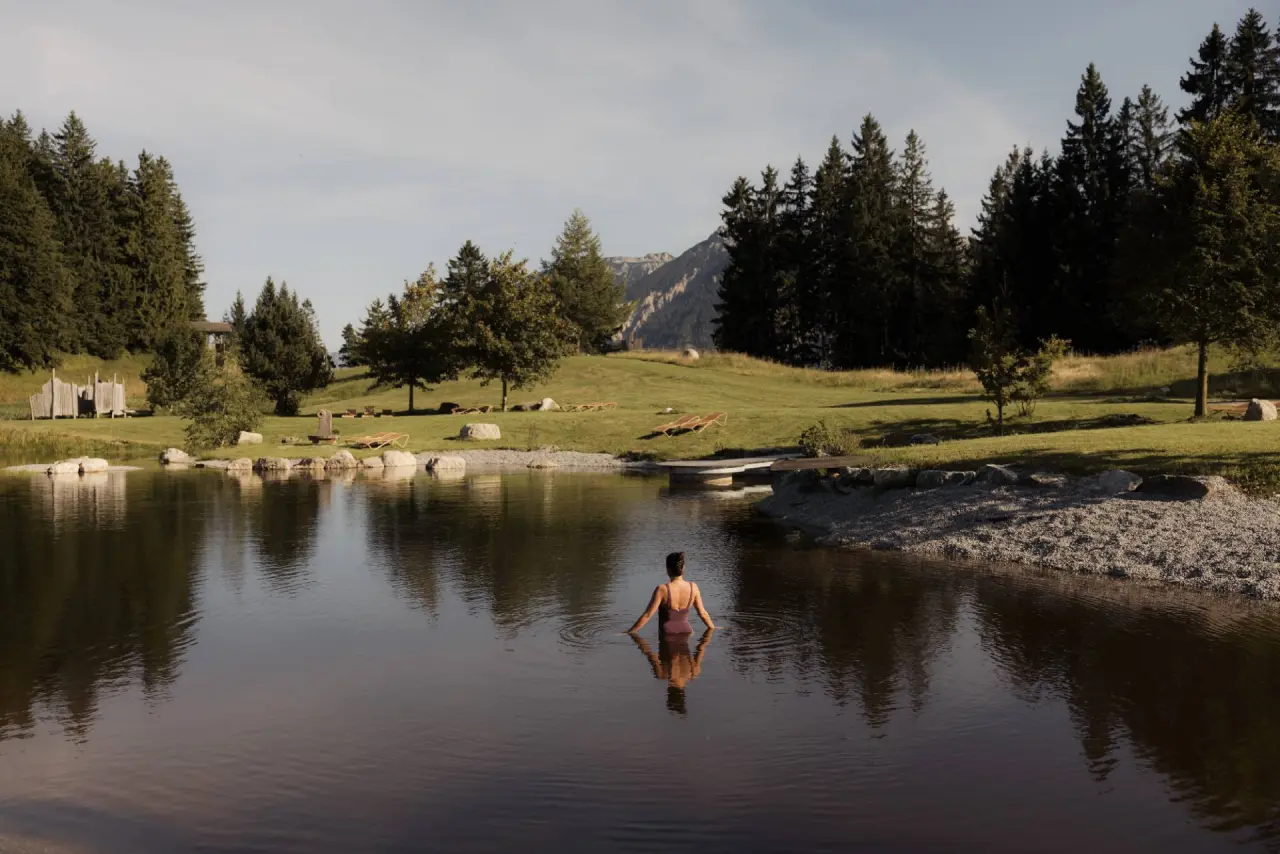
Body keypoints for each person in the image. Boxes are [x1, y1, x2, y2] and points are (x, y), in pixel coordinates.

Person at [626, 551, 716, 635]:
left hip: (667, 632)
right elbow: (703, 613)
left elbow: (647, 615)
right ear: (683, 568)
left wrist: (630, 632)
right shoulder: (693, 587)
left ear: (667, 569)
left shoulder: (662, 589)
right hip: (687, 631)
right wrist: (713, 628)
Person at [630, 629, 714, 716]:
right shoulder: (662, 674)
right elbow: (649, 652)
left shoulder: (694, 673)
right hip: (670, 632)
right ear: (669, 693)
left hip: (683, 632)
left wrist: (632, 633)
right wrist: (635, 638)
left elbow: (702, 647)